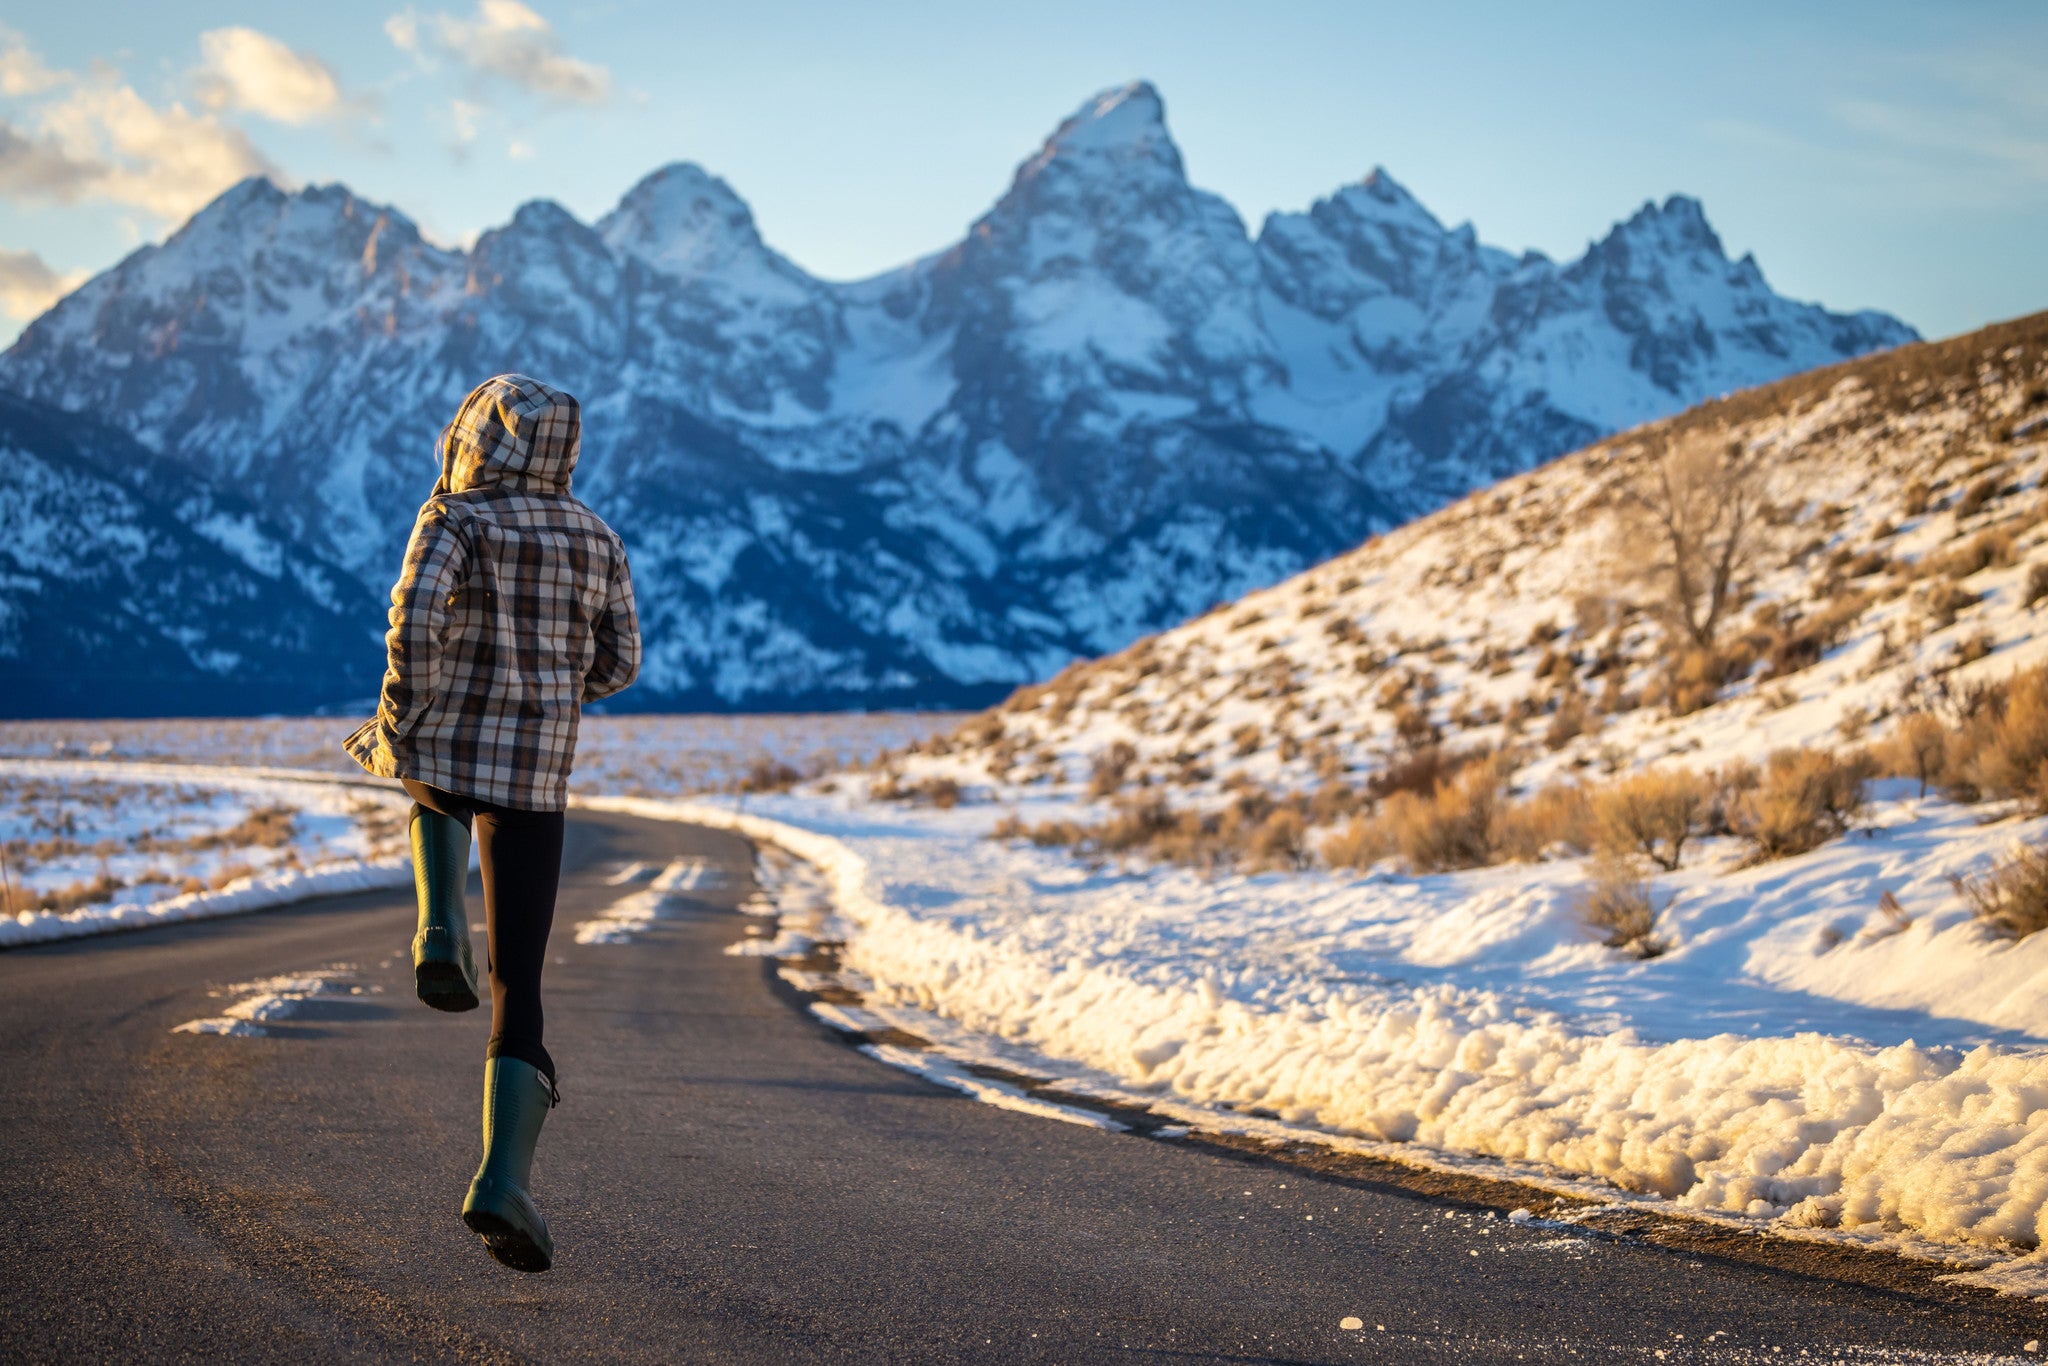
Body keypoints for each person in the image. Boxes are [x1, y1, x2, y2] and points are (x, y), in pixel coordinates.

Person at [344, 373, 639, 1273]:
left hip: (447, 746)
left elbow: (411, 623)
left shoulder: (452, 519)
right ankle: (501, 1185)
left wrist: (404, 713)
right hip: (535, 779)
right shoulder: (596, 536)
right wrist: (553, 697)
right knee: (521, 986)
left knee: (422, 768)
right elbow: (621, 660)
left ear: (471, 438)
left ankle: (439, 927)